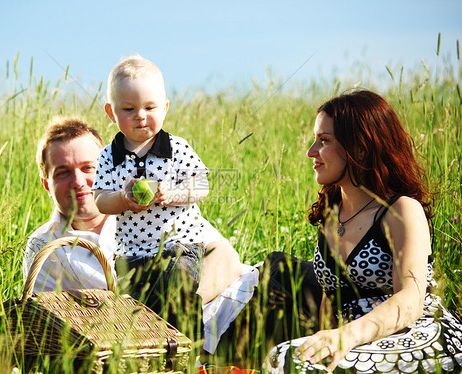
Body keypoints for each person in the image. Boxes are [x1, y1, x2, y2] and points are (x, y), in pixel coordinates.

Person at [23, 116, 322, 368]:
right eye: (62, 172)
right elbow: (48, 332)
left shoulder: (155, 206)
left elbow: (224, 257)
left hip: (242, 299)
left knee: (315, 285)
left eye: (88, 168)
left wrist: (165, 314)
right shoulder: (46, 247)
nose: (78, 181)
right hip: (161, 352)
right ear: (46, 183)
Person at [264, 90, 462, 373]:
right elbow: (327, 300)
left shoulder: (400, 210)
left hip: (413, 334)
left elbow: (410, 299)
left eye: (324, 141)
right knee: (287, 357)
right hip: (353, 342)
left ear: (359, 148)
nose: (311, 152)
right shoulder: (331, 214)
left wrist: (348, 336)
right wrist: (321, 340)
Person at [92, 55, 237, 334]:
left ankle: (187, 348)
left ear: (165, 108)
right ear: (111, 113)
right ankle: (148, 357)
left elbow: (202, 186)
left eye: (150, 106)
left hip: (178, 245)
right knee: (137, 313)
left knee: (180, 288)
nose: (140, 115)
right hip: (131, 253)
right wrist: (122, 199)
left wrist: (174, 193)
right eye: (128, 109)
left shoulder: (177, 148)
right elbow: (100, 200)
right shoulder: (108, 157)